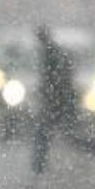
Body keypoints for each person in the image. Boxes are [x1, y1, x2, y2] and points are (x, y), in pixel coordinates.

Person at [33, 25, 79, 174]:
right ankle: (38, 167)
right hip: (59, 102)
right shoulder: (52, 51)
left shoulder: (51, 53)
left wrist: (49, 94)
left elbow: (55, 79)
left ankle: (38, 167)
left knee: (47, 134)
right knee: (58, 134)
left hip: (57, 102)